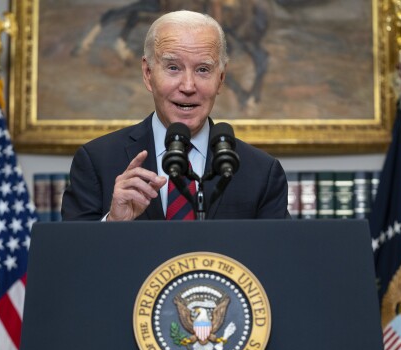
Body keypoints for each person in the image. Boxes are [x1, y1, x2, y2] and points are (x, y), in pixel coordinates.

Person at [61, 10, 288, 221]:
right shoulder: (96, 161)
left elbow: (277, 258)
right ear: (148, 73)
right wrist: (112, 222)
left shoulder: (262, 172)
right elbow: (69, 260)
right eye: (173, 68)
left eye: (202, 70)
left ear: (221, 78)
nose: (188, 86)